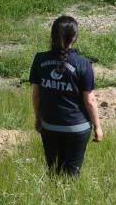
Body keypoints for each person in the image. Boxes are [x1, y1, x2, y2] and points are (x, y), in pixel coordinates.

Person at [29, 15, 103, 176]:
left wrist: (38, 119)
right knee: (72, 174)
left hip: (49, 126)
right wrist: (98, 127)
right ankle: (68, 199)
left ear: (52, 35)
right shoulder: (84, 64)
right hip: (77, 128)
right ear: (75, 37)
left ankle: (53, 198)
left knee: (53, 172)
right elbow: (90, 100)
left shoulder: (40, 59)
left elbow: (36, 96)